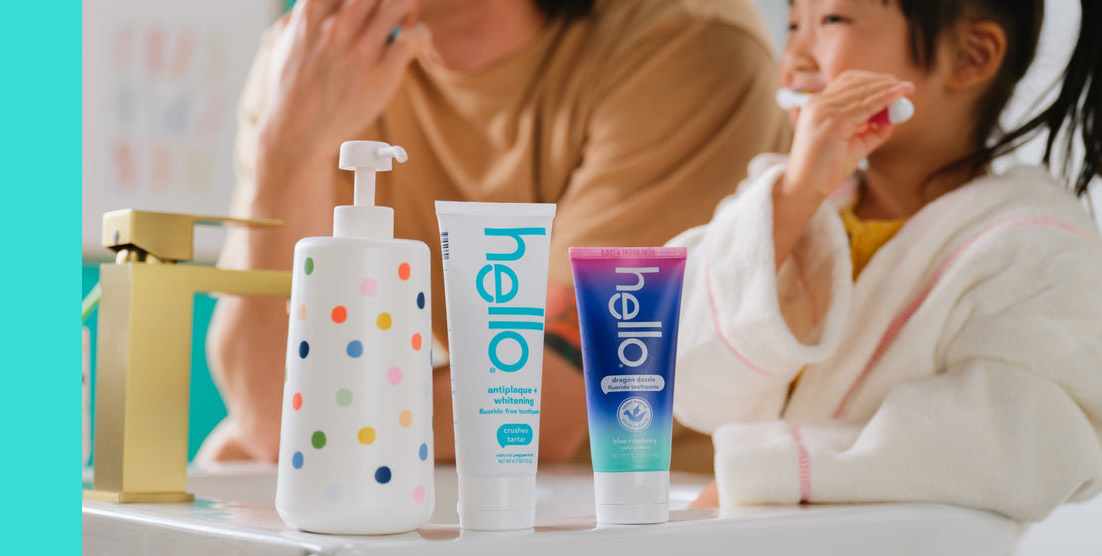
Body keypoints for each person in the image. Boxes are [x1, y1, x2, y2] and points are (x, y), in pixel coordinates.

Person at [201, 0, 790, 469]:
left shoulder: (688, 43)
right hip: (446, 474)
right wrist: (285, 153)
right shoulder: (311, 61)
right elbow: (259, 393)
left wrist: (305, 427)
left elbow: (541, 407)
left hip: (673, 501)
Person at [671, 0, 1102, 522]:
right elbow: (686, 378)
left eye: (830, 21)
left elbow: (1011, 440)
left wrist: (776, 470)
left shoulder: (1036, 249)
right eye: (791, 25)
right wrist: (795, 195)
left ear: (970, 55)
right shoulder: (782, 207)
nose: (797, 58)